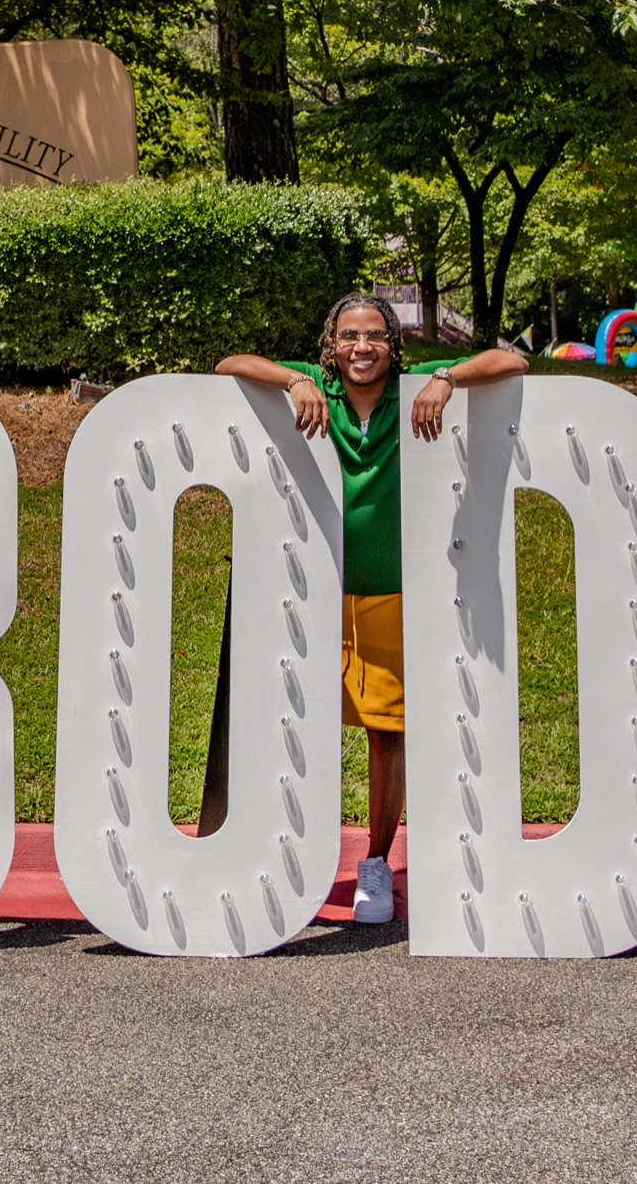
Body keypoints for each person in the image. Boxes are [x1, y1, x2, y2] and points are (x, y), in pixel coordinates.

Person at [217, 294, 530, 923]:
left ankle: (377, 864)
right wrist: (297, 379)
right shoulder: (315, 390)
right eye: (350, 336)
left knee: (389, 735)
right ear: (331, 344)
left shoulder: (415, 390)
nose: (363, 347)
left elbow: (513, 361)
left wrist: (444, 378)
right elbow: (231, 363)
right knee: (290, 725)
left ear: (395, 343)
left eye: (377, 335)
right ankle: (284, 859)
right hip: (315, 591)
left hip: (392, 589)